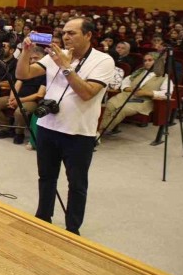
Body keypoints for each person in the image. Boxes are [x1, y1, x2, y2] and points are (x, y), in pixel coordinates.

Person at [16, 18, 114, 235]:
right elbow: (23, 74)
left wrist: (65, 66)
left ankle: (72, 228)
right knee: (46, 177)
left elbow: (87, 93)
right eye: (64, 33)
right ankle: (43, 217)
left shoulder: (103, 60)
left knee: (76, 184)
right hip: (48, 127)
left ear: (88, 35)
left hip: (78, 132)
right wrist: (25, 52)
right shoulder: (55, 55)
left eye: (72, 33)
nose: (66, 37)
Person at [98, 52, 171, 136]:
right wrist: (128, 88)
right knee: (109, 105)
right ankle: (97, 130)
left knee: (122, 110)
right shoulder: (139, 72)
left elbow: (167, 93)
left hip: (144, 100)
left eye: (150, 60)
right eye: (145, 60)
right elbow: (125, 81)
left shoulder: (164, 77)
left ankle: (100, 131)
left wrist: (148, 92)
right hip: (127, 95)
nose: (146, 62)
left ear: (158, 62)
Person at [0, 46, 47, 145]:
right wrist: (12, 98)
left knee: (20, 111)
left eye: (36, 58)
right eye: (30, 58)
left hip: (31, 100)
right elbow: (16, 85)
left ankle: (19, 133)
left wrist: (19, 101)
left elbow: (39, 94)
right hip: (17, 97)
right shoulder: (27, 70)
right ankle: (7, 128)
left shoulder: (46, 73)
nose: (32, 61)